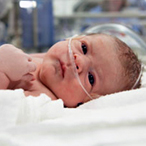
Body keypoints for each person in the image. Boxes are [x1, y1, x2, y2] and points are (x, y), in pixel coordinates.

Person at [0, 33, 142, 107]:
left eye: (91, 78)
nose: (78, 61)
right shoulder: (47, 60)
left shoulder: (45, 98)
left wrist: (3, 69)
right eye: (84, 48)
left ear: (86, 102)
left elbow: (5, 106)